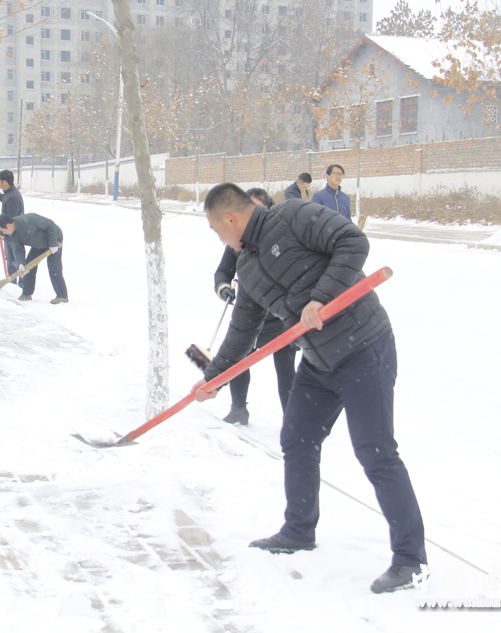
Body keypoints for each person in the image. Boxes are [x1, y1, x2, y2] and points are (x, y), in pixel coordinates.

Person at [193, 183, 426, 594]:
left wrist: (320, 297)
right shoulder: (246, 265)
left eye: (215, 230)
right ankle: (299, 531)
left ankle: (411, 561)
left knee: (376, 452)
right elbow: (243, 328)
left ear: (230, 219)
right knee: (297, 439)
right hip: (318, 361)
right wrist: (216, 375)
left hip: (363, 348)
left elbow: (353, 241)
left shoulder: (294, 216)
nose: (218, 238)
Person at [212, 187, 296, 425]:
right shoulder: (237, 242)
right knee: (239, 360)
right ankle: (239, 410)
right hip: (251, 316)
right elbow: (222, 271)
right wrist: (223, 287)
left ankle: (292, 421)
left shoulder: (282, 239)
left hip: (281, 317)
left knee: (286, 370)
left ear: (269, 210)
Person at [0, 213, 67, 304]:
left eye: (3, 230)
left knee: (53, 267)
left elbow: (50, 225)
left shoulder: (29, 219)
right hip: (38, 243)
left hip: (53, 238)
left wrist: (53, 243)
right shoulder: (12, 234)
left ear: (8, 225)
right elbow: (18, 250)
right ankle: (26, 294)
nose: (3, 233)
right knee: (29, 266)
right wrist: (21, 263)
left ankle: (62, 296)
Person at [0, 169, 24, 276]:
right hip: (11, 234)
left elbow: (10, 219)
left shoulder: (12, 197)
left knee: (13, 260)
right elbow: (5, 199)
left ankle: (16, 283)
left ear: (4, 182)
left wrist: (3, 232)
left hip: (13, 235)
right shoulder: (10, 193)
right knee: (11, 259)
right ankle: (14, 280)